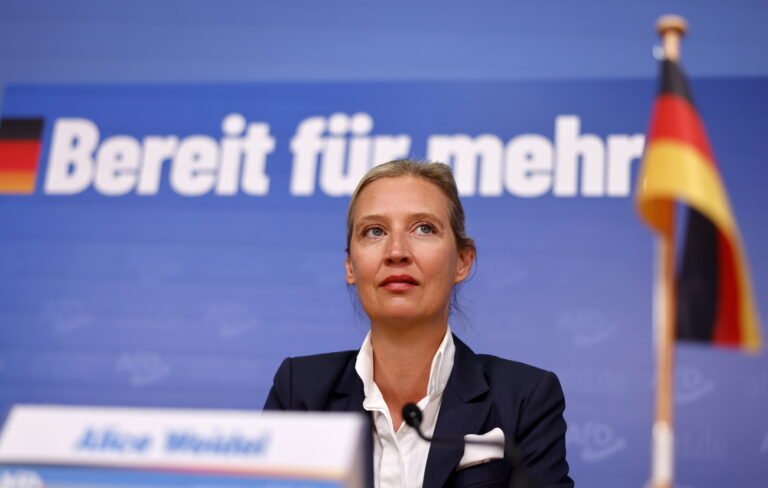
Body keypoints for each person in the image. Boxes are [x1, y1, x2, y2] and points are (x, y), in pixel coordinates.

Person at [264, 160, 573, 488]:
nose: (396, 252)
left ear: (463, 261)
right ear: (350, 266)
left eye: (424, 228)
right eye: (374, 231)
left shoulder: (525, 398)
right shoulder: (300, 391)